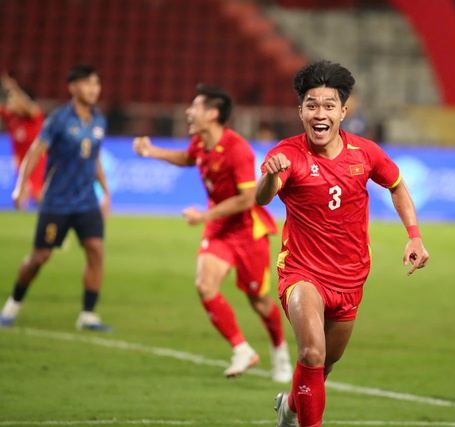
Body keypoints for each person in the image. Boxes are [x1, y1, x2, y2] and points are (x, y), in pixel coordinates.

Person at [255, 60, 430, 427]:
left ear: (343, 111)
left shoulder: (365, 153)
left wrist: (414, 236)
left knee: (324, 366)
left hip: (350, 277)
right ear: (300, 111)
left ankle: (289, 407)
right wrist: (269, 178)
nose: (320, 114)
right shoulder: (288, 154)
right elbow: (263, 198)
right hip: (302, 273)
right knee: (312, 353)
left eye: (328, 105)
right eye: (312, 105)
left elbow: (397, 186)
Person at [131, 84, 293, 383]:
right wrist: (151, 151)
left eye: (195, 106)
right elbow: (188, 158)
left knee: (259, 301)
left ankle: (279, 350)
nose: (188, 112)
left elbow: (247, 199)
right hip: (219, 229)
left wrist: (204, 215)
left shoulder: (237, 149)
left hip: (247, 231)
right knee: (205, 285)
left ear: (213, 114)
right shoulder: (200, 142)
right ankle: (241, 349)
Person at [0, 64, 111, 331]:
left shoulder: (99, 120)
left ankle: (88, 315)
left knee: (96, 250)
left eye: (96, 84)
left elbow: (94, 157)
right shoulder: (58, 120)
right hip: (57, 202)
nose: (94, 89)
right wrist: (21, 186)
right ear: (73, 87)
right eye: (88, 83)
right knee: (40, 257)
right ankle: (13, 304)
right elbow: (36, 151)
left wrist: (105, 192)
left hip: (86, 201)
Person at [0, 72, 47, 208]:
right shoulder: (11, 117)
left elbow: (28, 106)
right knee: (22, 192)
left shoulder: (34, 117)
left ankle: (54, 213)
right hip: (20, 160)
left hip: (37, 159)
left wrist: (15, 89)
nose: (9, 102)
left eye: (12, 99)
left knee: (37, 192)